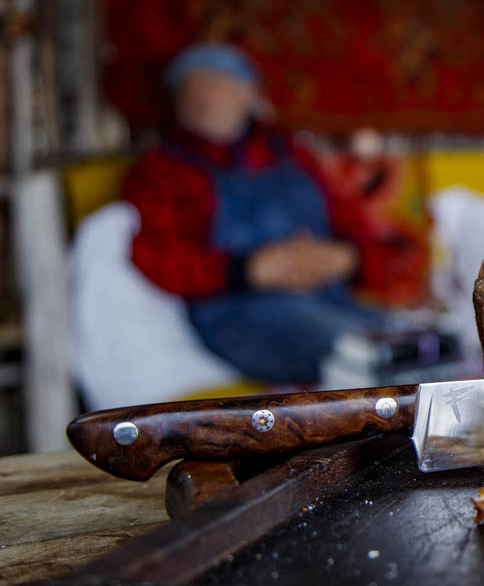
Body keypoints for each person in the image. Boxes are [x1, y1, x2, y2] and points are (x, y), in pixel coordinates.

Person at [123, 44, 398, 384]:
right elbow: (158, 256)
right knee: (363, 356)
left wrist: (345, 257)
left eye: (213, 82)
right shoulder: (163, 170)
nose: (199, 94)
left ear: (248, 93)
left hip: (326, 299)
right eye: (187, 87)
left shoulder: (289, 152)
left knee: (421, 343)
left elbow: (351, 222)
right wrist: (248, 269)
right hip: (241, 312)